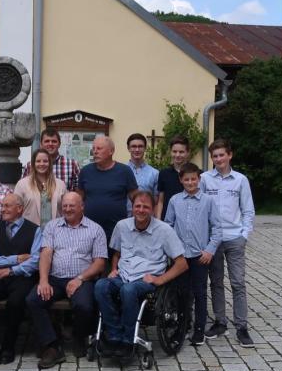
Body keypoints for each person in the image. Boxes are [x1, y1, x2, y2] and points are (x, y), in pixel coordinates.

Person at [94, 191, 188, 357]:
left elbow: (182, 264)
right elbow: (116, 253)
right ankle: (115, 334)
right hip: (123, 275)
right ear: (132, 208)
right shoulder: (122, 226)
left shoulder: (164, 230)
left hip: (145, 279)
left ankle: (128, 339)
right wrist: (114, 269)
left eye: (146, 207)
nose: (141, 210)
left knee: (128, 290)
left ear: (152, 210)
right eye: (137, 206)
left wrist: (160, 280)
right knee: (100, 286)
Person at [25, 192, 107, 369]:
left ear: (82, 207)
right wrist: (44, 280)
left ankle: (79, 337)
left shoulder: (95, 229)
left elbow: (100, 262)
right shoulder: (52, 227)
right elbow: (46, 253)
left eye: (72, 205)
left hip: (83, 279)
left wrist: (80, 278)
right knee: (34, 300)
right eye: (65, 205)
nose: (68, 209)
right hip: (55, 278)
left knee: (84, 305)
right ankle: (52, 346)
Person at [199, 139, 256, 347]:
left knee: (238, 283)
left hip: (234, 239)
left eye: (222, 155)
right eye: (215, 156)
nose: (218, 159)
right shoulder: (204, 179)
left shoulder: (240, 180)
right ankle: (220, 322)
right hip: (214, 240)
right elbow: (201, 208)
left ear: (230, 155)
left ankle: (242, 327)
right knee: (215, 282)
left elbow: (248, 210)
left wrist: (244, 234)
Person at [0, 193, 41, 366]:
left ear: (19, 208)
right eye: (2, 206)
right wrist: (17, 258)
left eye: (7, 206)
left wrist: (10, 270)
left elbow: (34, 260)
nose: (3, 209)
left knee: (16, 302)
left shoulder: (35, 229)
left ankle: (9, 346)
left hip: (22, 277)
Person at [164, 162, 222, 346]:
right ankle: (182, 326)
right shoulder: (174, 201)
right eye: (186, 179)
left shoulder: (208, 201)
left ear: (199, 179)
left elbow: (217, 229)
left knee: (199, 292)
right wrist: (171, 251)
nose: (190, 182)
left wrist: (209, 250)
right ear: (181, 180)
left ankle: (199, 330)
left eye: (194, 179)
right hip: (180, 256)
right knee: (182, 292)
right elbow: (168, 226)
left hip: (200, 256)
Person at [78, 136, 138, 245]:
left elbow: (136, 199)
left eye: (99, 149)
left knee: (115, 260)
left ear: (111, 151)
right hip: (89, 231)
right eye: (94, 148)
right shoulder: (85, 171)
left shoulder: (124, 171)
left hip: (117, 230)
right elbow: (79, 199)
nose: (95, 152)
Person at [14, 148, 67, 227]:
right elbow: (15, 210)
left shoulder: (60, 184)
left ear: (50, 163)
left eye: (45, 161)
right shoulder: (22, 184)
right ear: (33, 163)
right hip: (30, 232)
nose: (42, 164)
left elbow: (65, 209)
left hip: (56, 232)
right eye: (38, 161)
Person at [156, 136, 191, 220]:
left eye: (181, 152)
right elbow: (161, 201)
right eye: (174, 151)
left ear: (188, 152)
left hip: (188, 220)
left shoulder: (196, 174)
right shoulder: (164, 173)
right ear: (170, 152)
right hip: (168, 221)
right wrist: (158, 221)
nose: (177, 155)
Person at [125, 133, 159, 213]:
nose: (137, 150)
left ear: (145, 148)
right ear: (128, 148)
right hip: (124, 219)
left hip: (146, 218)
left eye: (140, 146)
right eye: (133, 146)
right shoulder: (121, 171)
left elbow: (156, 201)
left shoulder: (154, 173)